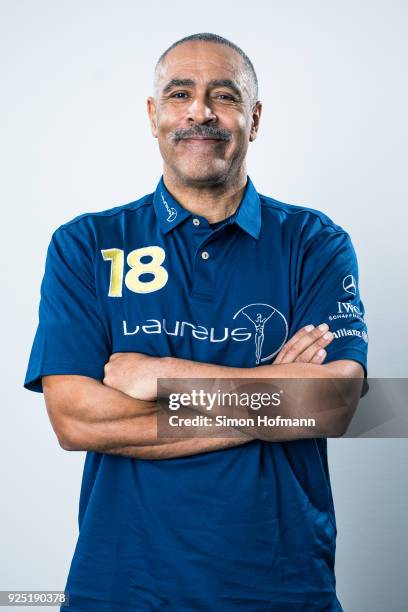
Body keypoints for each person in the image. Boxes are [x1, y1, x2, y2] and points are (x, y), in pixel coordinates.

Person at [24, 32, 368, 612]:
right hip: (120, 589)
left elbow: (335, 403)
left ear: (253, 119)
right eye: (180, 93)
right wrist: (275, 402)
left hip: (283, 590)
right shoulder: (85, 245)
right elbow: (77, 421)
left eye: (224, 96)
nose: (200, 111)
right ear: (153, 116)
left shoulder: (316, 244)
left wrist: (162, 375)